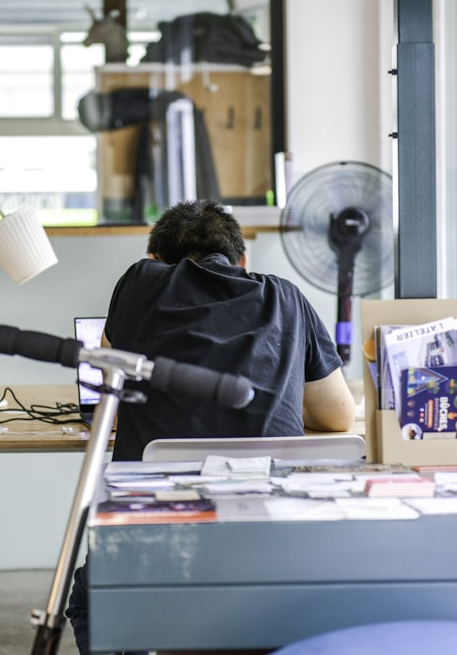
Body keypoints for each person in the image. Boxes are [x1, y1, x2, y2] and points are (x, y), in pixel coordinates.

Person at [65, 199, 355, 655]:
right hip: (269, 544)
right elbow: (339, 417)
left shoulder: (140, 281)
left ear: (154, 261)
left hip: (154, 543)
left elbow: (112, 389)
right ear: (243, 261)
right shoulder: (285, 296)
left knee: (87, 599)